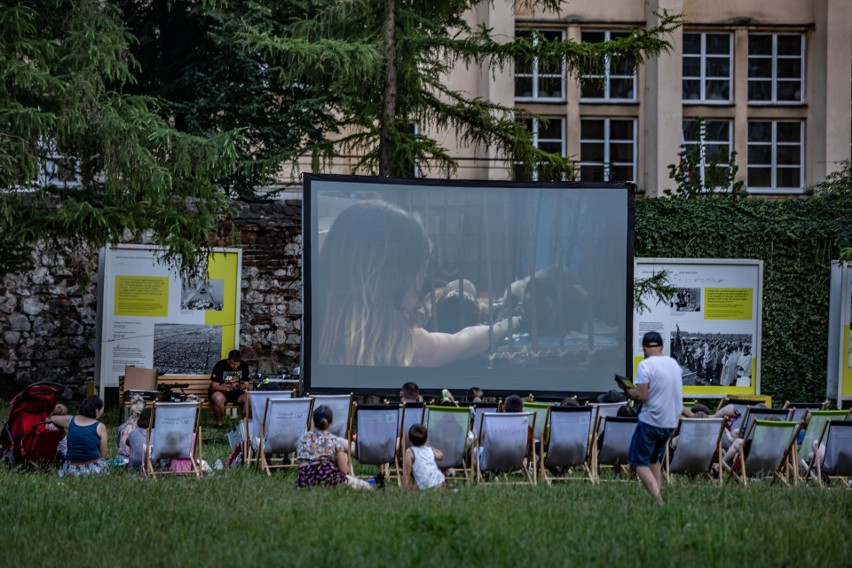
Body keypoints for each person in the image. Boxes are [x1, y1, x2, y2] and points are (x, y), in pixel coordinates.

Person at [316, 200, 520, 367]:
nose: (418, 293)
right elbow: (464, 343)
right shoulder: (401, 347)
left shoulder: (314, 334)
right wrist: (508, 325)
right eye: (418, 277)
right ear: (395, 281)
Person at [622, 331, 683, 504]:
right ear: (662, 347)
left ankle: (658, 499)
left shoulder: (645, 365)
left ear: (643, 347)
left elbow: (641, 396)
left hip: (651, 420)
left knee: (639, 462)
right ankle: (657, 496)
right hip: (670, 422)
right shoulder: (673, 364)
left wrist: (628, 390)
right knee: (654, 459)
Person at [295, 405, 370, 489]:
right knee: (365, 486)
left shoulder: (303, 439)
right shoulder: (334, 441)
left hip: (304, 480)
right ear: (330, 422)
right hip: (327, 478)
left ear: (313, 421)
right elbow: (344, 470)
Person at [48, 395, 109, 477]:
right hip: (93, 469)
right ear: (97, 410)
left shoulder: (70, 420)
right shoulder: (100, 426)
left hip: (70, 469)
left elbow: (52, 418)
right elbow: (103, 455)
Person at [209, 349, 250, 427]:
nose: (235, 366)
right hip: (221, 392)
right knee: (218, 399)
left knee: (250, 399)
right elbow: (214, 386)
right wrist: (227, 388)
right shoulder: (220, 365)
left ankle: (244, 424)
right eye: (233, 364)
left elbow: (247, 385)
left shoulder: (244, 365)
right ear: (228, 360)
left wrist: (241, 386)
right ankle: (219, 424)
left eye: (237, 364)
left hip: (237, 393)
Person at [402, 424, 446, 490]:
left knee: (412, 488)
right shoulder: (429, 449)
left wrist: (405, 486)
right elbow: (441, 456)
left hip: (425, 485)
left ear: (410, 440)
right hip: (440, 482)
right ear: (425, 440)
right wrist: (428, 446)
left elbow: (407, 473)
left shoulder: (410, 452)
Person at [116, 395, 145, 460]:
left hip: (121, 459)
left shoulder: (122, 427)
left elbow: (118, 444)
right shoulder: (144, 430)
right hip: (136, 460)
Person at [126, 407, 151, 475]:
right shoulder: (158, 434)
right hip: (154, 464)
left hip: (136, 465)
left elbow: (129, 449)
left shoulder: (133, 433)